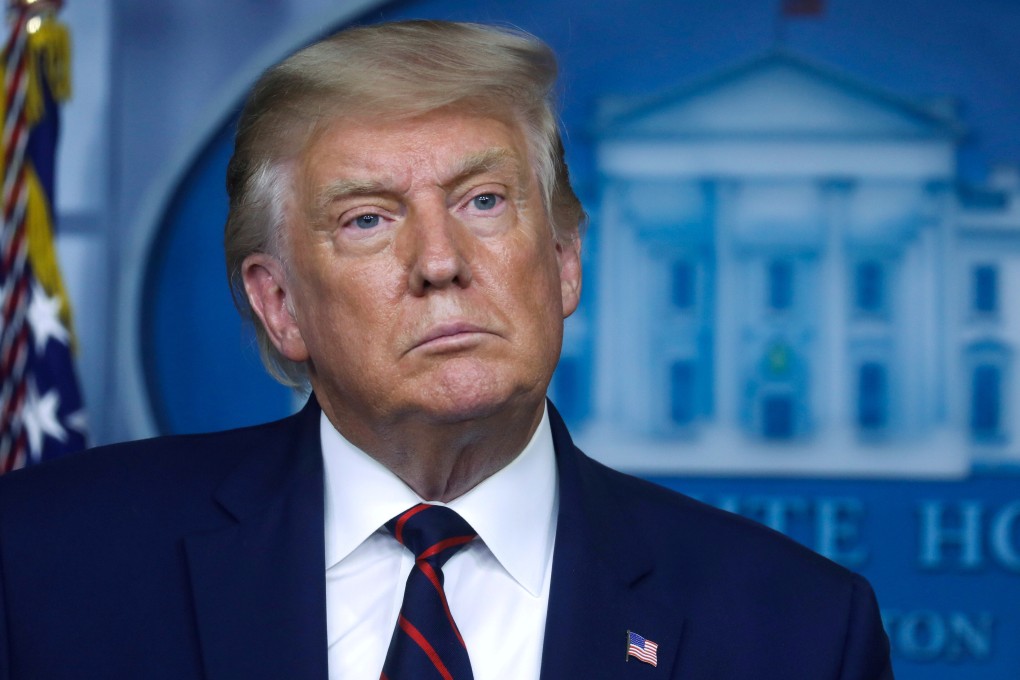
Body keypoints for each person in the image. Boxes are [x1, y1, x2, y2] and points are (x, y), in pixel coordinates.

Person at [0, 19, 894, 680]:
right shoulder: (48, 563)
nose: (439, 262)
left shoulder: (800, 633)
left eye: (483, 202)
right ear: (279, 305)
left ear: (562, 262)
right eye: (367, 219)